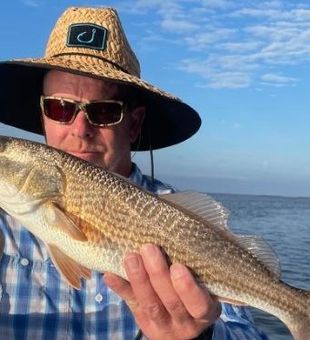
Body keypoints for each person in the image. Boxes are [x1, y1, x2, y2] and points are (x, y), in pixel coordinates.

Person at [0, 6, 267, 340]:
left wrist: (202, 337)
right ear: (43, 116)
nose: (80, 129)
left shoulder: (178, 216)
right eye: (60, 108)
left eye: (103, 111)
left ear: (134, 124)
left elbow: (248, 333)